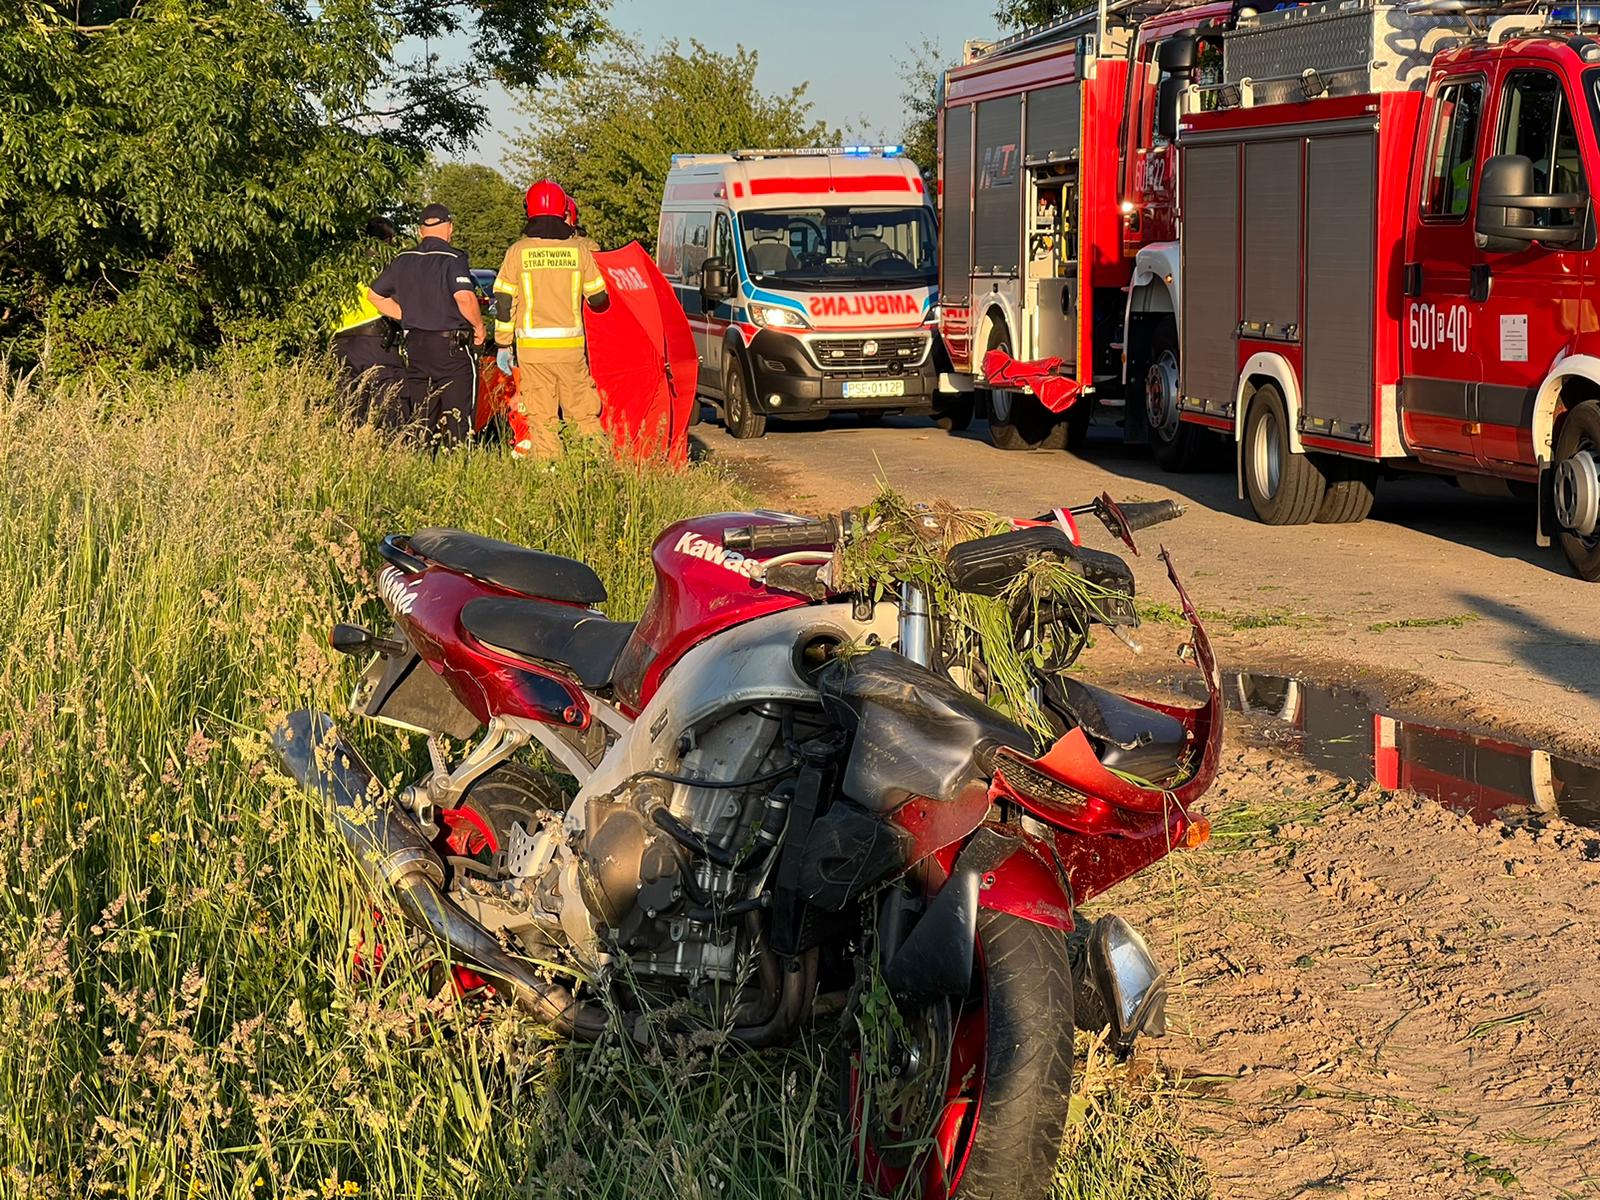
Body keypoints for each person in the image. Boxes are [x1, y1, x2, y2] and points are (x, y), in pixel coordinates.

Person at [493, 180, 610, 460]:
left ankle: (549, 471)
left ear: (529, 211)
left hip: (533, 352)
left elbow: (505, 302)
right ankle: (593, 467)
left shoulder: (518, 252)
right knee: (582, 415)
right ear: (563, 211)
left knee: (542, 418)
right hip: (571, 351)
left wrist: (503, 344)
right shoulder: (579, 251)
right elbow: (598, 298)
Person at [366, 203, 484, 446]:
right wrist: (479, 328)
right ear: (450, 227)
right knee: (458, 421)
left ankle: (420, 461)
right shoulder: (453, 258)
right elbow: (464, 297)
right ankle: (458, 460)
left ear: (421, 231)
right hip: (451, 349)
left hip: (416, 347)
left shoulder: (403, 259)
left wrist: (406, 315)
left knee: (421, 419)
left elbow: (375, 295)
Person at [331, 217, 406, 427]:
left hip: (341, 342)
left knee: (350, 406)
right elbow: (397, 304)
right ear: (389, 240)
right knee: (391, 403)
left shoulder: (345, 265)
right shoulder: (385, 266)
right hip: (374, 341)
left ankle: (350, 443)